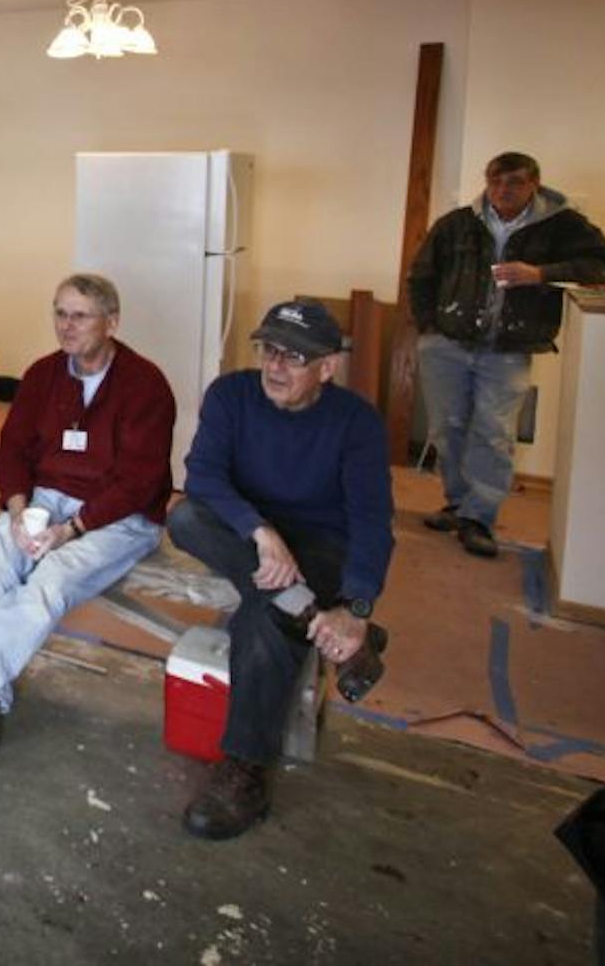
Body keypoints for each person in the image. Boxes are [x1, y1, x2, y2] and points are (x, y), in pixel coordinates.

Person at [0, 274, 174, 746]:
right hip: (45, 500)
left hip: (121, 515)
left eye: (80, 316)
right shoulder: (43, 374)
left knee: (52, 580)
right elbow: (12, 449)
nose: (66, 326)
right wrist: (16, 508)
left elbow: (139, 482)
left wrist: (73, 529)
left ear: (112, 322)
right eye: (60, 313)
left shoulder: (145, 384)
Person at [167, 299, 393, 840]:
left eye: (294, 357)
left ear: (327, 367)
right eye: (269, 350)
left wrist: (357, 606)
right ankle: (312, 613)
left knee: (264, 617)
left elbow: (371, 521)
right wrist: (260, 532)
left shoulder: (357, 422)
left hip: (320, 544)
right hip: (248, 534)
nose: (275, 366)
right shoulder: (231, 395)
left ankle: (245, 767)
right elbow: (203, 476)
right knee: (185, 518)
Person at [408, 152, 605, 557]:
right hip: (446, 344)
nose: (503, 190)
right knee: (447, 428)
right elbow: (421, 274)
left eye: (515, 182)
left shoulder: (561, 225)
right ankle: (457, 504)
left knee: (494, 433)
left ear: (534, 184)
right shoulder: (457, 224)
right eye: (495, 181)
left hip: (507, 350)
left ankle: (478, 518)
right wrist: (428, 326)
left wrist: (540, 274)